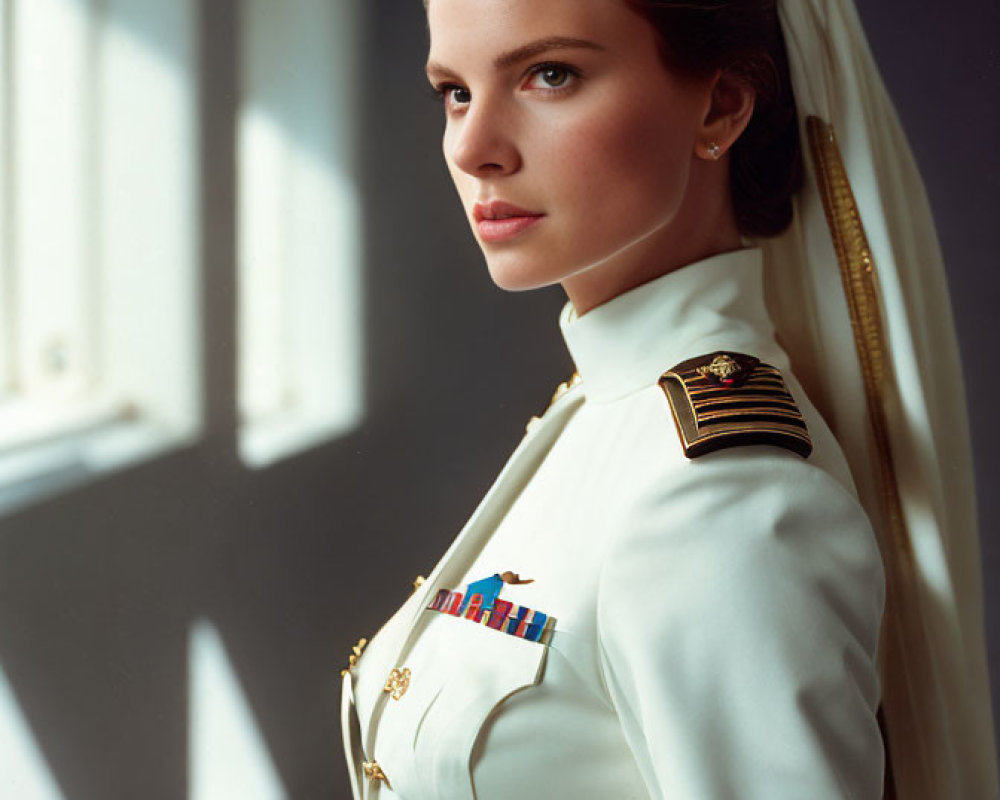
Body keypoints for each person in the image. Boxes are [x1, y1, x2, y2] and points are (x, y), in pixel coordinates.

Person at [341, 0, 999, 798]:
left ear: (720, 105)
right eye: (454, 91)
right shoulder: (606, 411)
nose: (473, 148)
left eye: (550, 75)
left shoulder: (718, 494)